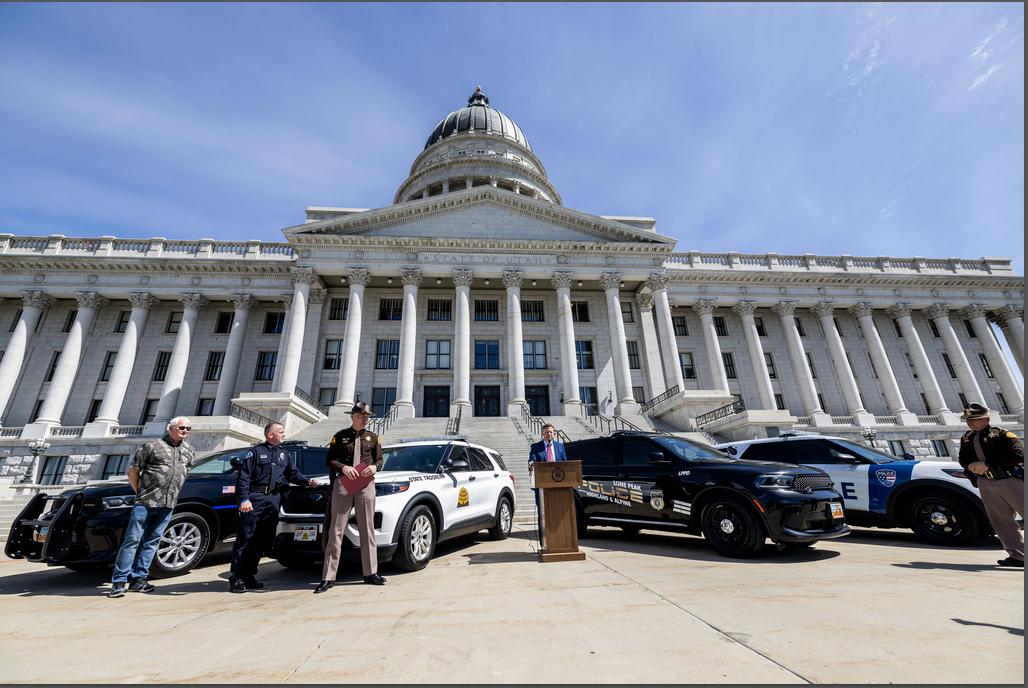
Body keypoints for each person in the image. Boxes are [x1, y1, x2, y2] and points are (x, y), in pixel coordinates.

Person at [108, 416, 196, 598]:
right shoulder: (152, 446)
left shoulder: (189, 450)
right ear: (170, 428)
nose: (185, 431)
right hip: (146, 503)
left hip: (168, 503)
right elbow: (133, 470)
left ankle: (139, 578)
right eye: (181, 428)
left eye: (188, 429)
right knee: (132, 541)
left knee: (152, 541)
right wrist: (139, 492)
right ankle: (119, 581)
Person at [229, 421, 317, 593]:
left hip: (273, 500)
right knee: (246, 538)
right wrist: (244, 500)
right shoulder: (255, 452)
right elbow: (244, 477)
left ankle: (249, 575)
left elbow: (293, 474)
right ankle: (237, 577)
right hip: (255, 499)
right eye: (281, 432)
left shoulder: (284, 455)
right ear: (270, 435)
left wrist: (307, 481)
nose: (284, 435)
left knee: (262, 540)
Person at [315, 402, 385, 593]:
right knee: (336, 530)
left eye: (367, 416)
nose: (365, 419)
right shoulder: (339, 436)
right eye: (361, 416)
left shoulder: (373, 437)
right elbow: (330, 459)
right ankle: (328, 577)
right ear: (353, 417)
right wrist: (344, 467)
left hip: (365, 484)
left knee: (367, 529)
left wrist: (375, 467)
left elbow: (379, 459)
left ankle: (371, 572)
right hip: (344, 484)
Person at [957, 403, 1024, 568]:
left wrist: (988, 463)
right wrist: (970, 466)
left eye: (974, 419)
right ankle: (1018, 556)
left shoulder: (1002, 434)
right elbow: (962, 459)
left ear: (986, 419)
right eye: (968, 420)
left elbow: (1018, 454)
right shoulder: (967, 438)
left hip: (1011, 481)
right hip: (986, 483)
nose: (970, 423)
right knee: (1001, 521)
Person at [527, 423, 566, 537]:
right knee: (543, 513)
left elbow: (565, 463)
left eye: (551, 432)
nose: (549, 434)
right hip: (542, 485)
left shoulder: (560, 446)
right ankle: (543, 540)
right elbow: (532, 459)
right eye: (546, 432)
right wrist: (531, 463)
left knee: (558, 512)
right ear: (542, 434)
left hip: (558, 486)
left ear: (554, 434)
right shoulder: (536, 447)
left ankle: (559, 537)